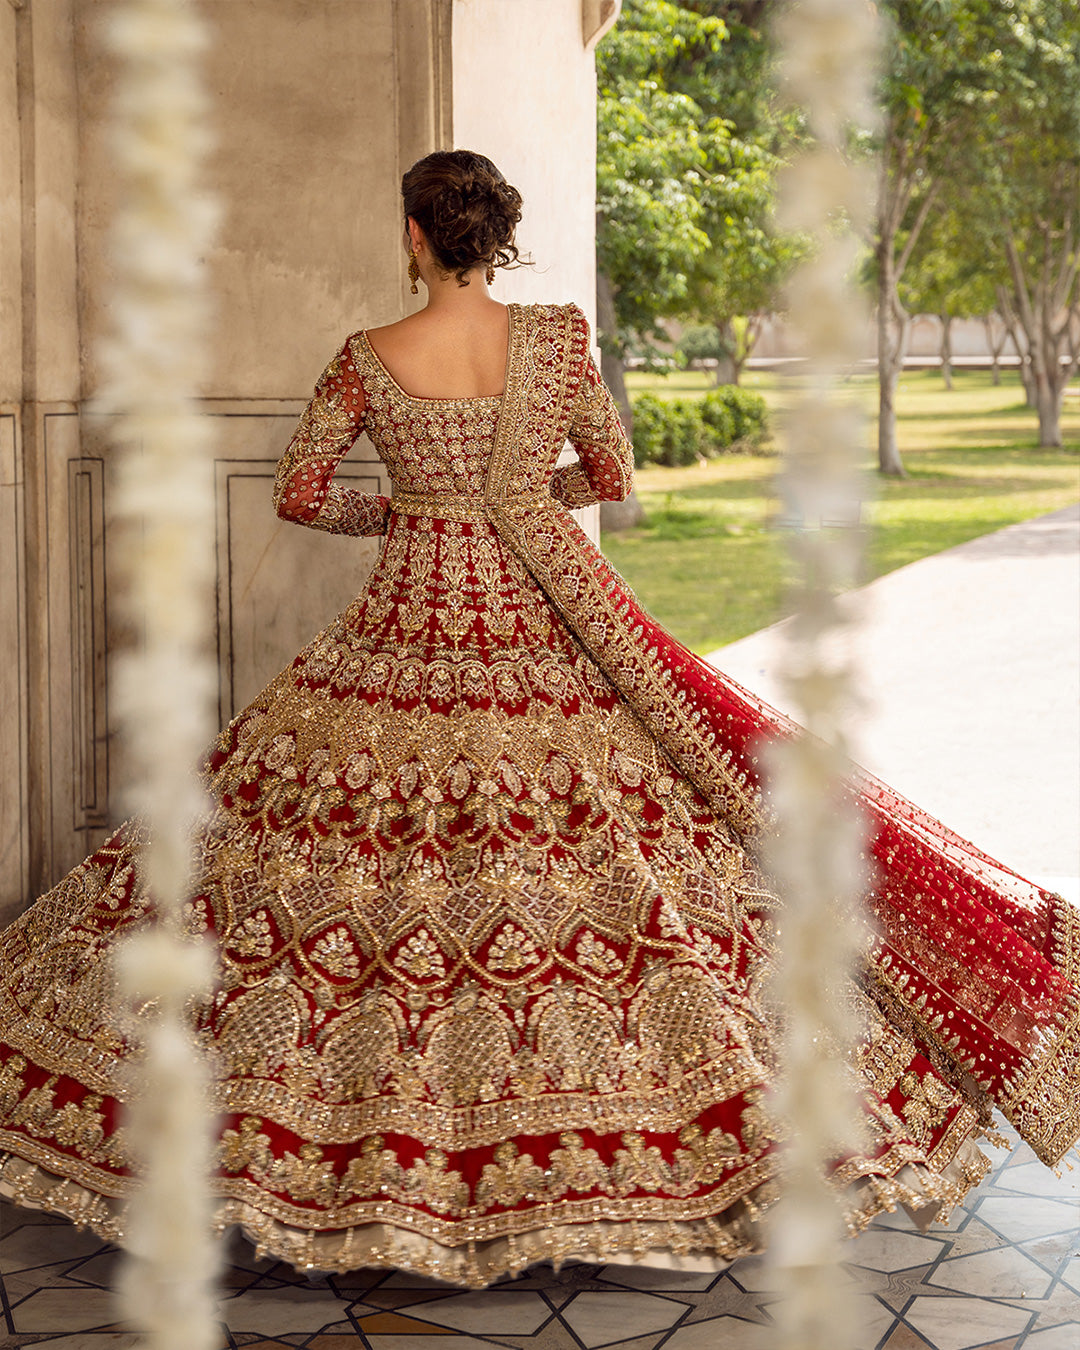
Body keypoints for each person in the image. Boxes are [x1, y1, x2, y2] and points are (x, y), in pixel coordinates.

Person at [0, 149, 1075, 1288]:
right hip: (545, 621)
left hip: (401, 636)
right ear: (491, 237)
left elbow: (299, 493)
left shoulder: (368, 357)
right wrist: (517, 503)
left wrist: (416, 513)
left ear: (415, 235)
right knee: (632, 854)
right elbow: (607, 470)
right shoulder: (559, 338)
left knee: (335, 856)